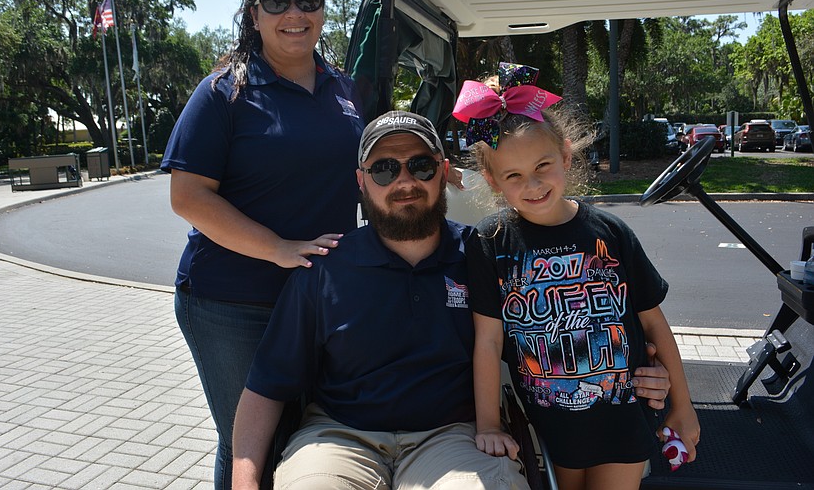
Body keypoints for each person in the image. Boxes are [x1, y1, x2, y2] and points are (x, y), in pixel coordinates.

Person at [231, 110, 672, 490]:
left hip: (455, 436)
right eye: (385, 169)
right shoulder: (325, 268)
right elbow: (266, 387)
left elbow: (575, 318)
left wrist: (643, 364)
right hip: (338, 436)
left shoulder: (487, 255)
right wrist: (244, 481)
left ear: (444, 171)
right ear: (362, 181)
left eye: (420, 165)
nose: (404, 181)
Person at [160, 0, 364, 489]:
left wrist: (429, 164)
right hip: (231, 302)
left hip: (318, 298)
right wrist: (276, 247)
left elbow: (366, 166)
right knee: (249, 444)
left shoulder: (343, 90)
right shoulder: (223, 92)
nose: (293, 12)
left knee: (304, 437)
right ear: (254, 15)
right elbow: (188, 196)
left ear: (322, 11)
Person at [453, 64, 700, 490]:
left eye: (543, 165)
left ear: (566, 157)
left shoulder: (612, 232)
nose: (532, 184)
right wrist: (489, 424)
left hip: (623, 415)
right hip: (552, 424)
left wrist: (684, 405)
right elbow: (489, 341)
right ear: (493, 181)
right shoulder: (489, 242)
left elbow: (653, 321)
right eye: (513, 175)